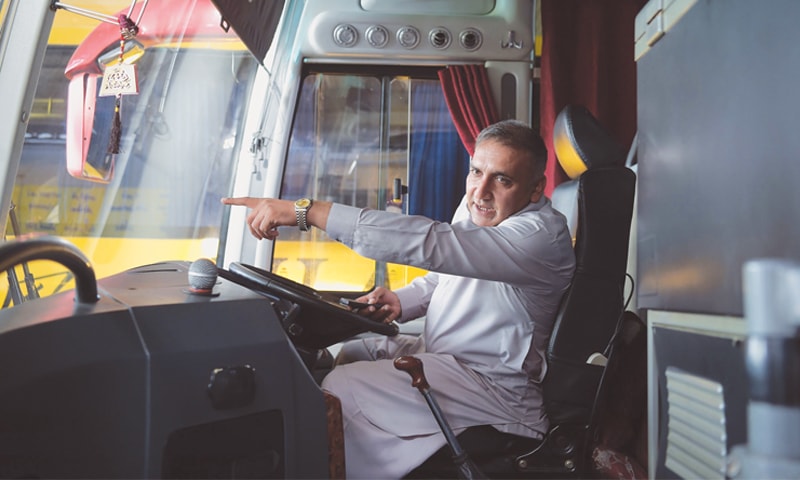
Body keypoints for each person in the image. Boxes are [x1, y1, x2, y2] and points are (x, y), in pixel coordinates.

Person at [222, 119, 576, 479]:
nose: (480, 191)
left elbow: (435, 245)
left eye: (502, 179)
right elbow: (447, 272)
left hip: (492, 388)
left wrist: (307, 211)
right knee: (350, 354)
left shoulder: (539, 236)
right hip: (448, 358)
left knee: (341, 388)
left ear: (535, 189)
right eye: (476, 172)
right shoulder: (482, 208)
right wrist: (400, 301)